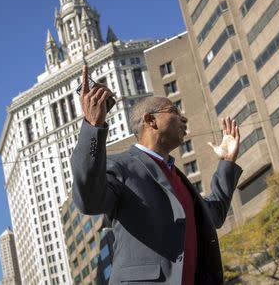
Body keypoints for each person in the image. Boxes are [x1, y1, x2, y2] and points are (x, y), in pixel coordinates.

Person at [71, 65, 243, 285]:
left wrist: (227, 162)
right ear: (150, 121)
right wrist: (93, 127)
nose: (184, 119)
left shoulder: (179, 179)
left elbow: (214, 215)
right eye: (174, 112)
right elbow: (89, 201)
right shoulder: (120, 166)